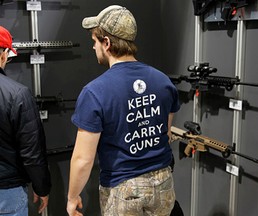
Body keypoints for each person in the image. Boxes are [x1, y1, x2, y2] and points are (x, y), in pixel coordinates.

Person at [66, 5, 180, 216]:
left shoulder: (94, 92)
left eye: (95, 42)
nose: (93, 48)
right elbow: (166, 132)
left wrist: (72, 197)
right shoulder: (163, 81)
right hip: (163, 183)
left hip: (123, 189)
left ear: (107, 43)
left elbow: (83, 159)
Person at [0, 26, 51, 215]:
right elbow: (32, 152)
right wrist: (42, 187)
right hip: (7, 192)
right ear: (4, 54)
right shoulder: (17, 94)